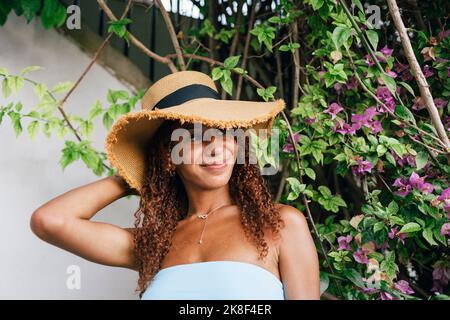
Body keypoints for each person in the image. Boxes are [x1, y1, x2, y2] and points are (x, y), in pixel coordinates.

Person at [30, 71, 320, 300]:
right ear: (168, 154)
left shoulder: (281, 224)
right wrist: (141, 174)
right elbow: (51, 221)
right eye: (192, 137)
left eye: (223, 131)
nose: (215, 146)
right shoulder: (154, 244)